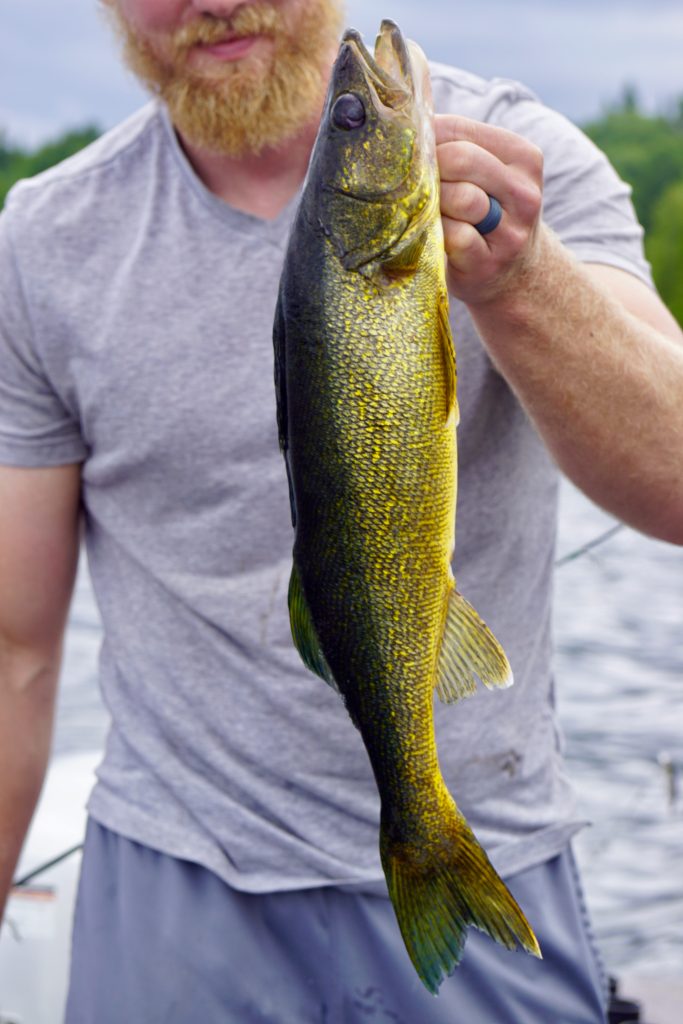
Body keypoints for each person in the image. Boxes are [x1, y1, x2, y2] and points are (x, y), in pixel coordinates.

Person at [1, 1, 681, 1021]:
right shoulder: (42, 239)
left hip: (491, 839)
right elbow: (14, 651)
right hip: (172, 875)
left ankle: (424, 834)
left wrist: (521, 278)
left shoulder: (519, 158)